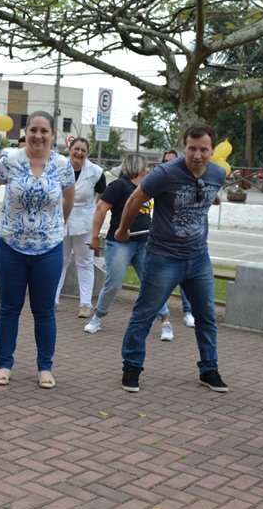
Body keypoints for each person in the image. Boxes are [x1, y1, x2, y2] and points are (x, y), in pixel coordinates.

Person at [116, 124, 227, 394]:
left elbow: (213, 196)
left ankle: (209, 369)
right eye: (192, 148)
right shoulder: (165, 173)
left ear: (212, 150)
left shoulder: (218, 173)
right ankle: (132, 367)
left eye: (204, 149)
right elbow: (134, 199)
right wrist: (123, 229)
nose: (197, 155)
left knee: (206, 316)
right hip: (163, 257)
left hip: (199, 258)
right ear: (184, 147)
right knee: (144, 314)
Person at [0, 110, 74, 389]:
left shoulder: (63, 165)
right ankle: (5, 364)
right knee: (9, 308)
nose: (38, 136)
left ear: (53, 135)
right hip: (10, 247)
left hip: (49, 250)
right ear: (26, 132)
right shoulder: (11, 160)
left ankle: (45, 367)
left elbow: (69, 199)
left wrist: (57, 225)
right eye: (33, 129)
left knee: (44, 310)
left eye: (44, 131)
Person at [84, 154, 174, 336]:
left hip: (145, 242)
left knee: (152, 283)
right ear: (138, 167)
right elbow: (101, 209)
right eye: (146, 165)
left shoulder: (147, 187)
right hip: (120, 244)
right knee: (114, 283)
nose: (148, 168)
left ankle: (165, 320)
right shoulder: (120, 186)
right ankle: (98, 317)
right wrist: (95, 236)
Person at [55, 137, 106, 318]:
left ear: (87, 153)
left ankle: (85, 304)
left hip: (84, 222)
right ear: (70, 148)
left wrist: (92, 211)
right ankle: (52, 299)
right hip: (60, 220)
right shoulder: (59, 166)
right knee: (59, 261)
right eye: (76, 149)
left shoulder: (96, 172)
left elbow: (102, 196)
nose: (79, 153)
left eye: (83, 150)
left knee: (84, 262)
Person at [160, 148, 196, 329]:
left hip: (187, 241)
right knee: (160, 280)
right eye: (165, 161)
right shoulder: (160, 180)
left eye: (172, 160)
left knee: (186, 279)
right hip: (164, 243)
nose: (168, 164)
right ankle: (161, 314)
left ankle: (188, 312)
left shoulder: (187, 181)